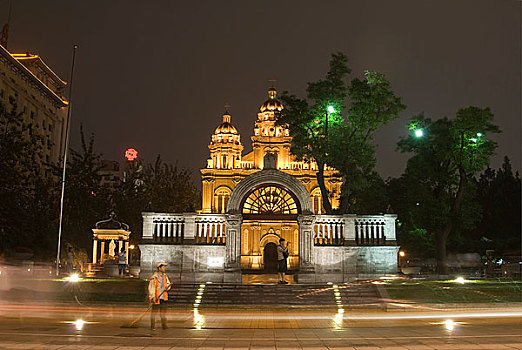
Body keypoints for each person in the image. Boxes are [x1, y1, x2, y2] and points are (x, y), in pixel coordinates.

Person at [148, 262, 172, 330]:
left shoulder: (165, 276)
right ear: (159, 268)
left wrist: (168, 287)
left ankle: (164, 325)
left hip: (163, 296)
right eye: (163, 267)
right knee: (154, 313)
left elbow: (167, 284)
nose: (164, 268)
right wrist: (152, 297)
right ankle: (152, 326)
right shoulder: (154, 277)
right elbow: (151, 288)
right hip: (156, 297)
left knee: (163, 312)